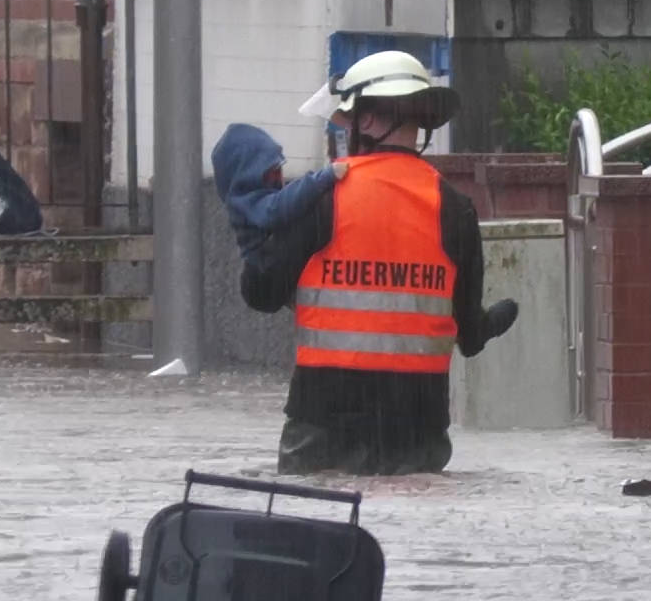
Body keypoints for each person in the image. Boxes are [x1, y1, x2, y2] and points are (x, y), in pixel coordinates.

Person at [239, 50, 519, 475]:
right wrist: (491, 322)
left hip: (323, 424)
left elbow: (260, 293)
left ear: (368, 121)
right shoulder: (454, 209)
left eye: (347, 121)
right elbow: (469, 335)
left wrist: (251, 228)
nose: (343, 133)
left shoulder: (322, 196)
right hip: (417, 430)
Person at [211, 123, 348, 264]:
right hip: (262, 275)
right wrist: (324, 178)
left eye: (279, 169)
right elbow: (277, 208)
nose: (279, 177)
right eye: (272, 170)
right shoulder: (246, 203)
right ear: (248, 175)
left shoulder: (265, 197)